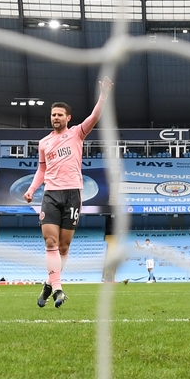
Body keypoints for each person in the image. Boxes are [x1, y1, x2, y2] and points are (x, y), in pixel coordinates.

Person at [24, 76, 114, 308]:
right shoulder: (43, 143)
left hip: (73, 194)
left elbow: (94, 117)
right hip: (51, 194)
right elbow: (41, 168)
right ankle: (58, 289)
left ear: (68, 118)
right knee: (51, 242)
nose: (56, 117)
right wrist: (32, 189)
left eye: (60, 115)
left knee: (64, 247)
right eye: (53, 114)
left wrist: (103, 95)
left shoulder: (77, 133)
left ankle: (48, 284)